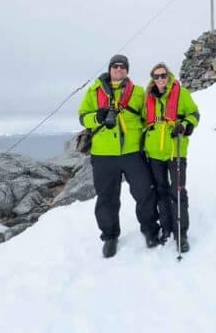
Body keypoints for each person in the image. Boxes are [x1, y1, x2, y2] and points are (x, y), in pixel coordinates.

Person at [78, 54, 160, 258]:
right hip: (103, 154)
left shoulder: (138, 92)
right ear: (110, 69)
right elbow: (83, 117)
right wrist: (97, 117)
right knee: (107, 197)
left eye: (123, 67)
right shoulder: (94, 90)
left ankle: (150, 229)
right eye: (115, 66)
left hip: (133, 152)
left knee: (144, 192)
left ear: (127, 71)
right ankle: (109, 236)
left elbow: (148, 116)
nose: (119, 69)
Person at [142, 63, 199, 253]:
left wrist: (183, 125)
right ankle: (166, 228)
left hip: (176, 151)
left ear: (168, 75)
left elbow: (194, 114)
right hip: (155, 154)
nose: (159, 79)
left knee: (178, 191)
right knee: (160, 191)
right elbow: (143, 121)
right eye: (156, 76)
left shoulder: (181, 93)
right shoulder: (148, 98)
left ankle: (181, 233)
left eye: (162, 75)